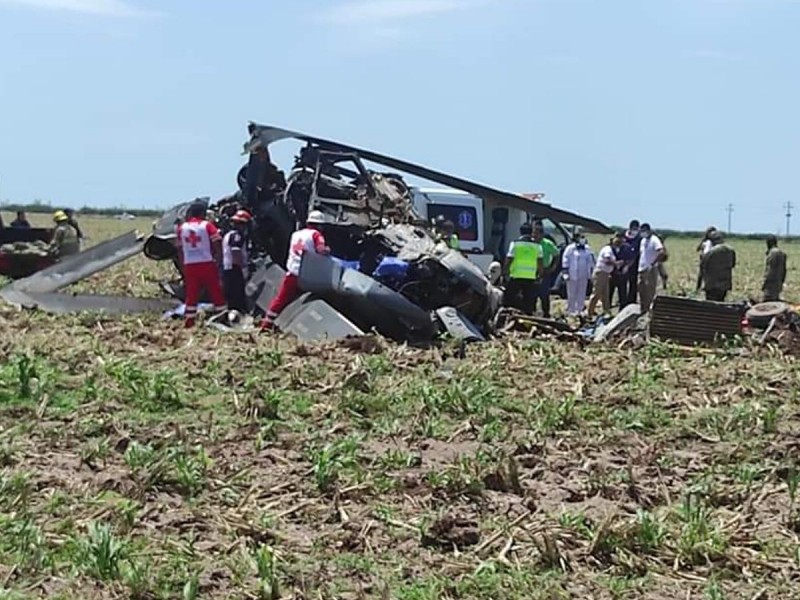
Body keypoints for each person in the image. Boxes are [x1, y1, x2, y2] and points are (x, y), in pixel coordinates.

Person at [261, 210, 331, 330]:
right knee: (325, 294)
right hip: (308, 275)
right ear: (319, 225)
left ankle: (266, 324)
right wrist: (327, 251)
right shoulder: (316, 235)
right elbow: (320, 249)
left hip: (292, 273)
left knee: (280, 299)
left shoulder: (296, 234)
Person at [175, 202, 227, 328]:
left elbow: (179, 249)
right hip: (206, 263)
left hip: (190, 264)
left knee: (191, 293)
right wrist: (218, 257)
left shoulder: (181, 228)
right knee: (215, 290)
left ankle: (189, 321)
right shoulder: (207, 225)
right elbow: (218, 240)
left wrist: (183, 264)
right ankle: (222, 315)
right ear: (202, 214)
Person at [503, 222, 544, 315]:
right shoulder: (538, 246)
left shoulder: (515, 244)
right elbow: (540, 263)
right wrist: (540, 275)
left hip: (515, 276)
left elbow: (509, 259)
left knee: (508, 300)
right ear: (531, 232)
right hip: (530, 278)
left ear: (520, 232)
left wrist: (504, 272)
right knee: (528, 302)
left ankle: (508, 316)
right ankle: (527, 320)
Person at [222, 210, 252, 313]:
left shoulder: (228, 235)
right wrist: (243, 268)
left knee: (231, 298)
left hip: (227, 268)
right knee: (238, 297)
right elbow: (236, 252)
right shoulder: (237, 236)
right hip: (234, 269)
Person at [561, 230, 595, 316]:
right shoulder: (570, 248)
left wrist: (591, 273)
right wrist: (565, 272)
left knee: (582, 293)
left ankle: (579, 310)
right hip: (572, 274)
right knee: (571, 293)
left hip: (583, 274)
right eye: (580, 237)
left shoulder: (587, 249)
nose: (582, 239)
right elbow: (565, 260)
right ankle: (571, 310)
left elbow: (591, 261)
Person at [588, 234, 622, 318]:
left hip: (606, 274)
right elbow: (607, 260)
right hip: (601, 273)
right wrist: (617, 263)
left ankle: (607, 312)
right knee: (596, 294)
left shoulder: (612, 250)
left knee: (605, 294)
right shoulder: (607, 249)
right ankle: (589, 313)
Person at [532, 221, 559, 318]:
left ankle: (546, 314)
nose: (534, 236)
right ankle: (532, 313)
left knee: (544, 294)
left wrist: (552, 267)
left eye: (537, 233)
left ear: (541, 234)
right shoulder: (531, 243)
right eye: (533, 233)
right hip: (532, 272)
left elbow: (556, 255)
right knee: (532, 294)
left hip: (544, 272)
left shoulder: (547, 244)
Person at [637, 223, 666, 313]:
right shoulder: (643, 240)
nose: (642, 233)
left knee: (649, 290)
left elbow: (661, 252)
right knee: (641, 289)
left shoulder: (654, 240)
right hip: (641, 268)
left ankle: (649, 309)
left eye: (644, 231)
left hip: (650, 268)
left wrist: (653, 263)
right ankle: (643, 308)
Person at [700, 231, 736, 302]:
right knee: (721, 302)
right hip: (725, 284)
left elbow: (703, 265)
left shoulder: (711, 252)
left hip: (712, 285)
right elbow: (733, 265)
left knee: (711, 304)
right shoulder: (731, 250)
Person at [610, 232, 635, 308]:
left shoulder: (627, 247)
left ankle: (622, 308)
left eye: (620, 238)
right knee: (609, 291)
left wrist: (626, 266)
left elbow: (631, 259)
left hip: (622, 273)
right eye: (617, 238)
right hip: (611, 273)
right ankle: (608, 308)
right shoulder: (609, 247)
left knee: (622, 292)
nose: (618, 240)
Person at [762, 234, 787, 302]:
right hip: (778, 282)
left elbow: (769, 269)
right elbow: (784, 269)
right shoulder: (782, 253)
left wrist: (764, 282)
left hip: (771, 283)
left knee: (768, 303)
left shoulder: (772, 253)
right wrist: (782, 281)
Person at [624, 220, 642, 305]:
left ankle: (631, 300)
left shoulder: (639, 238)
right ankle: (623, 300)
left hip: (635, 263)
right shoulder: (624, 236)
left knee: (633, 282)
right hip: (623, 261)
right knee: (622, 282)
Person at [695, 226, 717, 292]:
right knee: (704, 274)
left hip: (705, 258)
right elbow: (704, 251)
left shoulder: (707, 241)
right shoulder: (708, 242)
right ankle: (702, 288)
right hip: (707, 258)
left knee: (702, 274)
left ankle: (699, 288)